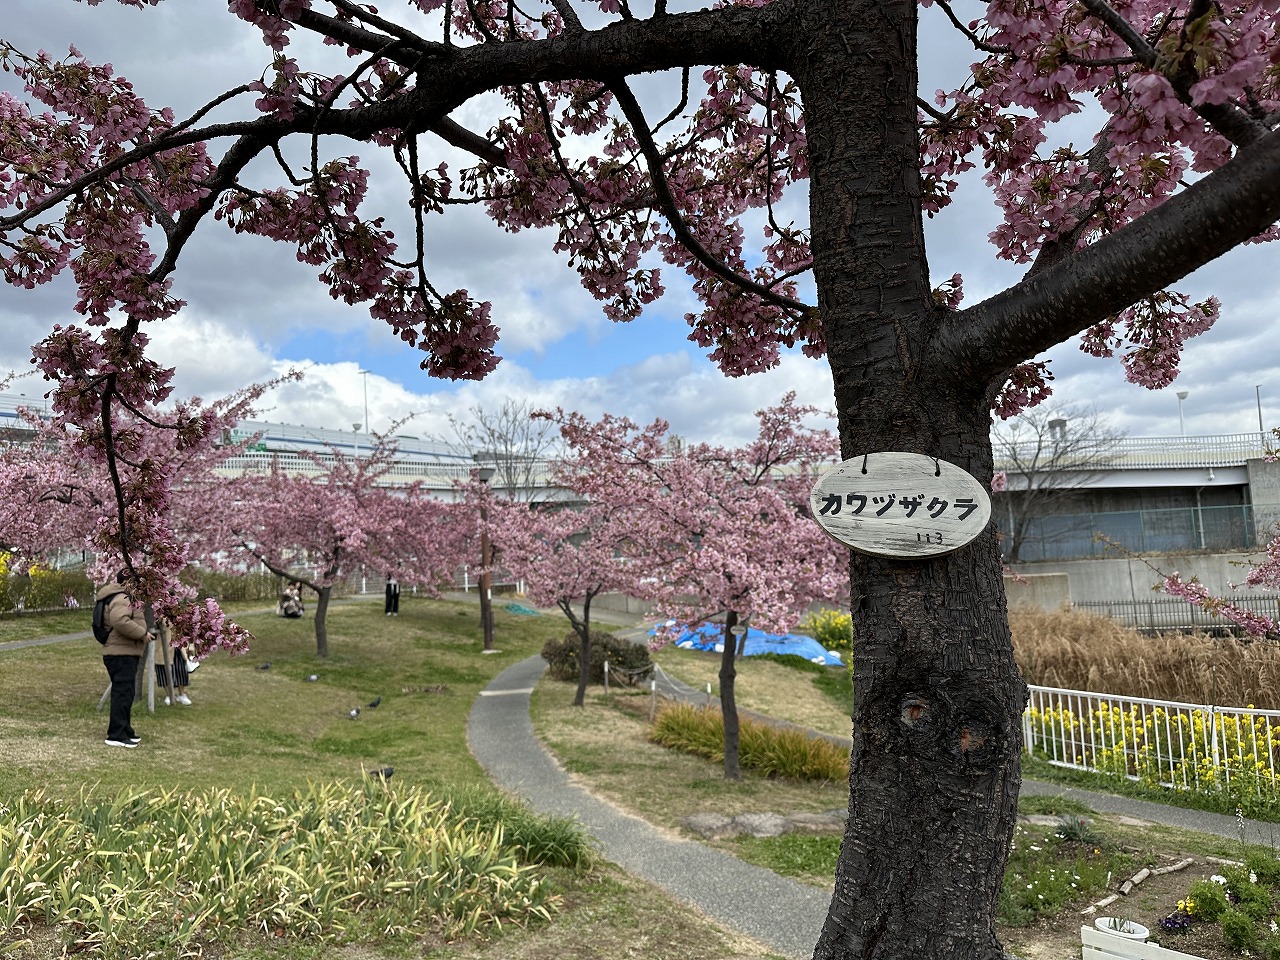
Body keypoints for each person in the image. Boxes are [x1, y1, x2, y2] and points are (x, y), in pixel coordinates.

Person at [96, 571, 155, 748]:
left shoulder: (121, 596)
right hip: (121, 653)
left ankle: (125, 729)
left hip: (123, 652)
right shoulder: (123, 598)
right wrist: (142, 633)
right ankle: (115, 734)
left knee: (126, 692)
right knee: (122, 693)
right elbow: (119, 620)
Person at [153, 618, 192, 705]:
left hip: (179, 646)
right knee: (164, 671)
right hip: (163, 646)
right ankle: (169, 695)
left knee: (181, 670)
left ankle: (182, 694)